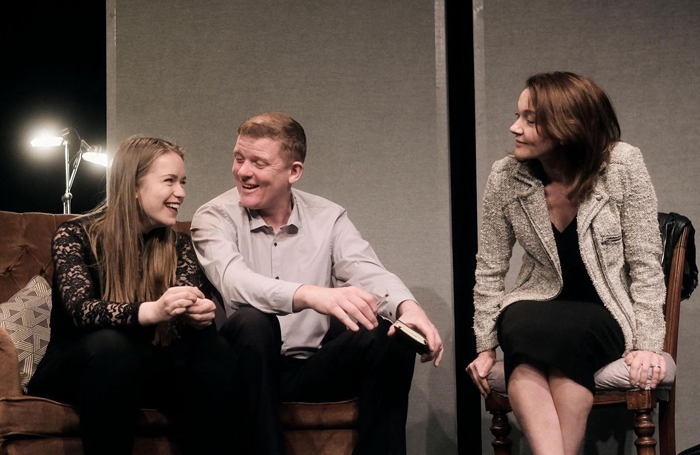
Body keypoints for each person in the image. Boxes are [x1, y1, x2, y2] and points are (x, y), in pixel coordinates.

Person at [191, 112, 444, 455]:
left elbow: (365, 269)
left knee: (388, 335)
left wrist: (408, 308)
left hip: (311, 365)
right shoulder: (214, 216)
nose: (243, 171)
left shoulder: (328, 216)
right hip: (246, 369)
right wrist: (311, 295)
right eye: (239, 158)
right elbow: (235, 282)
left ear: (293, 171)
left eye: (258, 162)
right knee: (253, 321)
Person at [467, 72, 667, 455]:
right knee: (522, 326)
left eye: (530, 119)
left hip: (603, 309)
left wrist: (647, 344)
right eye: (517, 115)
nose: (514, 128)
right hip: (534, 305)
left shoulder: (622, 164)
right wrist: (485, 345)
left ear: (567, 127)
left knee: (565, 337)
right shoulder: (505, 176)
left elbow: (645, 262)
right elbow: (490, 267)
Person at [28, 136, 239, 455]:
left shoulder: (179, 245)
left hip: (146, 367)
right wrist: (153, 311)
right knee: (112, 345)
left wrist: (198, 315)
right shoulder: (76, 235)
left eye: (182, 182)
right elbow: (82, 311)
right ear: (133, 186)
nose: (180, 193)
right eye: (169, 181)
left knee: (213, 347)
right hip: (78, 366)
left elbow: (184, 315)